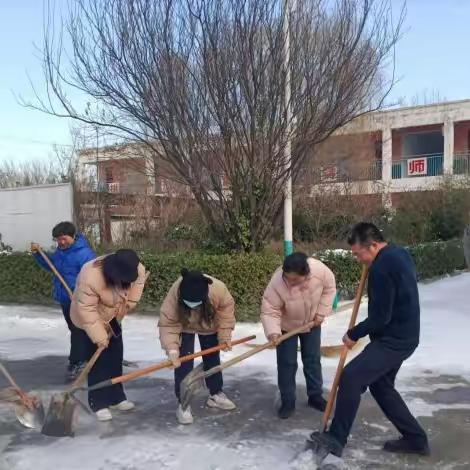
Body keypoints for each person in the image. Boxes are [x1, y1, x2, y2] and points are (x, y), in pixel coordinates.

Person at [310, 222, 430, 461]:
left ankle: (336, 439)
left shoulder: (381, 267)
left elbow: (380, 317)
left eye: (358, 253)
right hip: (406, 335)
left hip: (393, 339)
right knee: (381, 386)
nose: (357, 259)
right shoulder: (398, 253)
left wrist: (353, 333)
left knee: (352, 377)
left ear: (373, 245)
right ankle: (416, 440)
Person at [70, 249, 148, 421]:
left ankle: (116, 397)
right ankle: (98, 402)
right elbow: (87, 310)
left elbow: (138, 285)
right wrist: (99, 336)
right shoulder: (90, 275)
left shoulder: (137, 268)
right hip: (88, 320)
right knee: (98, 361)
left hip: (113, 318)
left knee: (115, 357)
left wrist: (130, 304)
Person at [261, 252, 336, 419]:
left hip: (312, 323)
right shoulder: (277, 282)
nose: (290, 282)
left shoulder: (320, 271)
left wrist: (321, 313)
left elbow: (330, 289)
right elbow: (270, 309)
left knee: (312, 359)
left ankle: (315, 396)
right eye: (288, 278)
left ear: (306, 274)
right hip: (287, 327)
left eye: (295, 280)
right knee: (287, 363)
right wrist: (273, 332)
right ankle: (288, 401)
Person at [158, 269, 237, 424]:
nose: (193, 305)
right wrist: (172, 350)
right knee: (183, 363)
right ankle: (183, 404)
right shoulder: (175, 294)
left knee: (212, 359)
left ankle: (216, 394)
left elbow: (226, 313)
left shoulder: (218, 290)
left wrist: (224, 336)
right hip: (185, 325)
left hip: (208, 324)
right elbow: (168, 323)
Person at [31, 221, 96, 380]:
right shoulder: (61, 252)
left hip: (80, 300)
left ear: (73, 235)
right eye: (57, 239)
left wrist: (82, 294)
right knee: (76, 329)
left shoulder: (85, 254)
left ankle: (78, 361)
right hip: (65, 299)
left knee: (79, 330)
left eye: (63, 238)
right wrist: (39, 255)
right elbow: (52, 266)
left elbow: (94, 277)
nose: (60, 242)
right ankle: (86, 358)